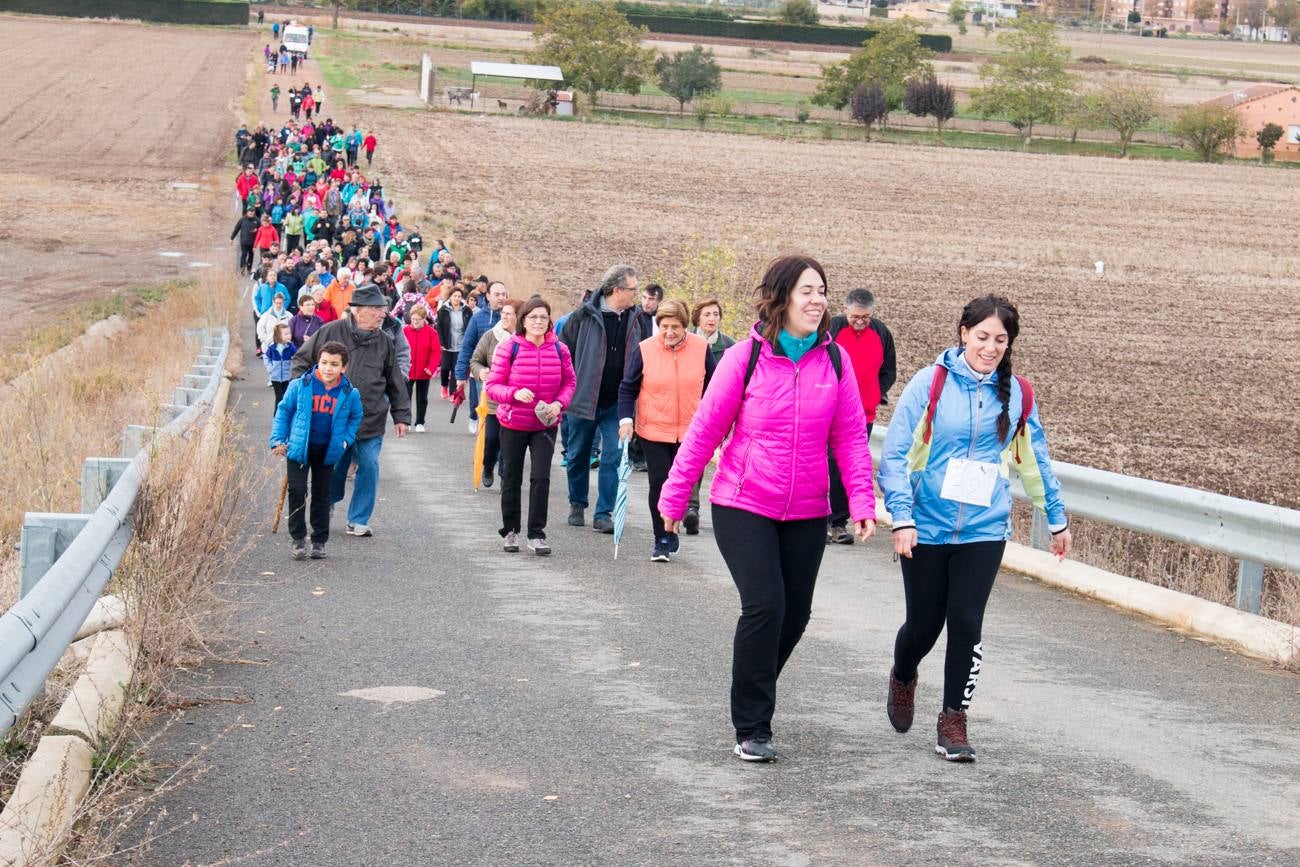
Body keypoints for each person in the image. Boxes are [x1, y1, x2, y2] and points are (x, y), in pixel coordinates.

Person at [658, 255, 876, 763]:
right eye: (806, 290)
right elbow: (705, 431)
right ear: (781, 298)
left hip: (806, 508)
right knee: (765, 606)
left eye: (822, 290)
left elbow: (849, 440)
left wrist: (862, 502)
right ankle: (753, 723)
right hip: (744, 500)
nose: (818, 299)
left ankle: (751, 682)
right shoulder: (745, 359)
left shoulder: (835, 362)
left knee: (795, 615)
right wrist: (674, 496)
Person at [879, 294, 1069, 763]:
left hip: (984, 528)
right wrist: (901, 517)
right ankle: (904, 674)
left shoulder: (1018, 392)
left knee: (966, 621)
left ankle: (953, 720)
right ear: (964, 333)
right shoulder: (931, 383)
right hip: (926, 525)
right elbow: (896, 455)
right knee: (924, 625)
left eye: (1000, 340)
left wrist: (1057, 517)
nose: (990, 347)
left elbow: (1034, 458)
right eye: (982, 336)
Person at [291, 284, 411, 538]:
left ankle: (358, 519)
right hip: (333, 418)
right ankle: (329, 501)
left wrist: (401, 415)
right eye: (377, 309)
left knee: (369, 464)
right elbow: (301, 361)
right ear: (359, 310)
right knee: (335, 467)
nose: (382, 314)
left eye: (383, 309)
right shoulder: (330, 332)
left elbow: (394, 381)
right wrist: (301, 398)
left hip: (371, 416)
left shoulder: (384, 342)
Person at [617, 300, 716, 562]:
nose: (669, 332)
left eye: (675, 327)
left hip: (692, 430)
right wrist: (625, 419)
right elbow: (628, 387)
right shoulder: (645, 349)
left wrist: (715, 421)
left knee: (682, 485)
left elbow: (715, 387)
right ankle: (662, 537)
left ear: (685, 326)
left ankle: (674, 522)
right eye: (664, 326)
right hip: (654, 429)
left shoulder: (701, 348)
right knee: (659, 483)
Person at [558, 265, 651, 532]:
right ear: (617, 290)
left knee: (615, 455)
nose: (637, 294)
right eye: (633, 289)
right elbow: (563, 356)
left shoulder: (638, 319)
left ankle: (604, 513)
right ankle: (577, 502)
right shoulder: (582, 317)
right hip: (583, 399)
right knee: (577, 455)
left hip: (618, 404)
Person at [485, 298, 576, 556]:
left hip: (545, 424)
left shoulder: (560, 349)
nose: (538, 322)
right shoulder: (508, 348)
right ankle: (510, 530)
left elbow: (570, 382)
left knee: (541, 478)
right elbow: (493, 386)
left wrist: (559, 404)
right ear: (523, 320)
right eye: (533, 317)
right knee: (511, 477)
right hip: (514, 422)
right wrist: (514, 393)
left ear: (549, 321)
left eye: (543, 318)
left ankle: (536, 534)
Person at [270, 350, 362, 560]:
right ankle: (298, 538)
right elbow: (283, 411)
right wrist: (277, 440)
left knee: (322, 494)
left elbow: (356, 417)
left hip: (327, 450)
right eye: (324, 362)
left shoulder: (349, 393)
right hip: (298, 448)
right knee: (297, 490)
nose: (328, 368)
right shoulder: (301, 385)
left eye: (334, 364)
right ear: (318, 363)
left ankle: (319, 540)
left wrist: (346, 440)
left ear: (343, 367)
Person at [826, 287, 897, 545]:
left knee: (850, 467)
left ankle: (839, 523)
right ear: (845, 310)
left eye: (865, 317)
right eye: (855, 316)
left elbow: (889, 370)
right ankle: (820, 519)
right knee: (825, 464)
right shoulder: (831, 329)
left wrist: (875, 394)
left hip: (862, 414)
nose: (860, 322)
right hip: (828, 411)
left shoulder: (881, 333)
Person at [469, 298, 521, 488]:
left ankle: (504, 476)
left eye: (509, 313)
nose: (505, 317)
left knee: (508, 441)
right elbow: (475, 360)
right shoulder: (491, 336)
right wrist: (480, 371)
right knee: (492, 439)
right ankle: (488, 465)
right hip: (492, 399)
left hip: (515, 400)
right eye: (503, 313)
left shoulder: (524, 339)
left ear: (518, 317)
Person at [454, 281, 507, 433]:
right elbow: (467, 347)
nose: (501, 298)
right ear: (488, 296)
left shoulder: (511, 317)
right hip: (482, 371)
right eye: (497, 294)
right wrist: (460, 375)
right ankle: (476, 420)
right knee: (480, 404)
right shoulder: (477, 318)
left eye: (503, 294)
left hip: (505, 373)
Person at [403, 305, 440, 432]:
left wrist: (431, 367)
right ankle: (406, 421)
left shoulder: (431, 333)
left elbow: (436, 352)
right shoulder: (404, 331)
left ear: (424, 319)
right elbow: (400, 351)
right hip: (407, 370)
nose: (415, 322)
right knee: (405, 397)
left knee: (422, 398)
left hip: (424, 371)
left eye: (418, 319)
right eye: (413, 319)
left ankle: (420, 422)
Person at [437, 286, 471, 400]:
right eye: (455, 296)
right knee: (445, 368)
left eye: (459, 296)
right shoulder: (443, 310)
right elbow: (439, 327)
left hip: (461, 345)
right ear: (451, 297)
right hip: (447, 344)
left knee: (455, 369)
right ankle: (444, 386)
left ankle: (452, 393)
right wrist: (441, 341)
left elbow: (470, 327)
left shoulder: (467, 310)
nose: (457, 298)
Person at [263, 322, 296, 412]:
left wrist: (292, 368)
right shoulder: (273, 348)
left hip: (287, 377)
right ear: (278, 335)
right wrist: (270, 369)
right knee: (279, 396)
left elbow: (297, 357)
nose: (289, 336)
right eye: (286, 334)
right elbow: (266, 357)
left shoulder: (291, 347)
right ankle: (276, 415)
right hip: (275, 378)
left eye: (289, 333)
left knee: (286, 396)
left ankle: (284, 415)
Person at [230, 208, 259, 273]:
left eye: (252, 212)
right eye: (249, 212)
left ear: (254, 213)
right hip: (244, 240)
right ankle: (242, 268)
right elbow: (236, 229)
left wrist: (257, 230)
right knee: (244, 254)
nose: (251, 213)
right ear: (247, 212)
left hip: (253, 241)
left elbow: (261, 229)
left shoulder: (257, 220)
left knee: (251, 254)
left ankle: (249, 268)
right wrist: (232, 238)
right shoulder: (242, 219)